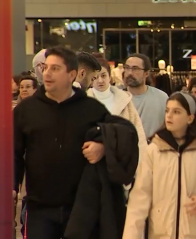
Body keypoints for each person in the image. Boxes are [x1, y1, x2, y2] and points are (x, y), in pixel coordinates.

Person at [14, 46, 110, 239]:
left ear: (72, 74)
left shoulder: (92, 109)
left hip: (81, 207)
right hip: (39, 207)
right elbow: (12, 153)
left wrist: (103, 146)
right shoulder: (26, 110)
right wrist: (11, 185)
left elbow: (118, 137)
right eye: (46, 67)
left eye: (55, 68)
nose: (47, 73)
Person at [122, 92, 196, 238]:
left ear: (190, 118)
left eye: (176, 111)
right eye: (167, 110)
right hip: (162, 233)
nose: (169, 116)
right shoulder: (154, 149)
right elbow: (140, 198)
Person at [87, 53, 148, 183]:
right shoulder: (84, 102)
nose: (100, 81)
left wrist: (142, 168)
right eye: (95, 77)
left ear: (110, 76)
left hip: (124, 166)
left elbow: (139, 135)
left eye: (103, 75)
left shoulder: (124, 101)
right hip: (93, 169)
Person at [124, 53, 168, 139]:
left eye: (135, 69)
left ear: (146, 73)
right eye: (127, 68)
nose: (130, 73)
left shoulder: (162, 98)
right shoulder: (116, 98)